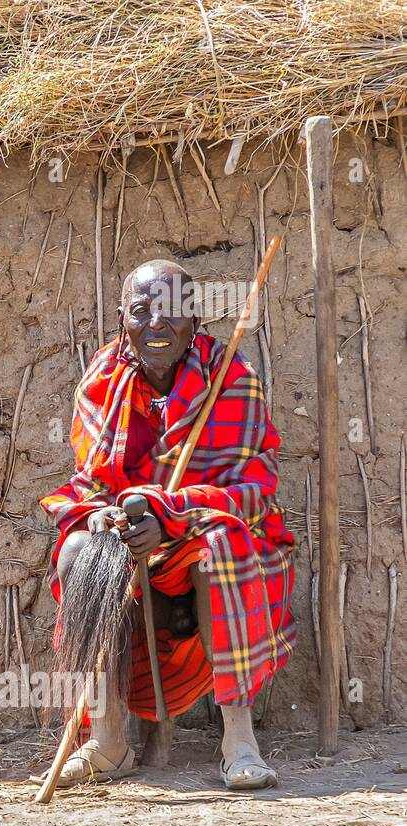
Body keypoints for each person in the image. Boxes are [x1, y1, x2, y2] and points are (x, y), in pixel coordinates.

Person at [41, 260, 295, 791]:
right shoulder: (102, 381)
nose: (157, 324)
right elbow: (90, 481)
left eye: (172, 311)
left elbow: (252, 491)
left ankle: (239, 740)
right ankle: (107, 740)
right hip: (133, 541)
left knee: (222, 544)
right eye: (141, 311)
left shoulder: (231, 379)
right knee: (79, 553)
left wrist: (171, 513)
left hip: (203, 533)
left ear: (195, 321)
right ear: (121, 319)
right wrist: (112, 517)